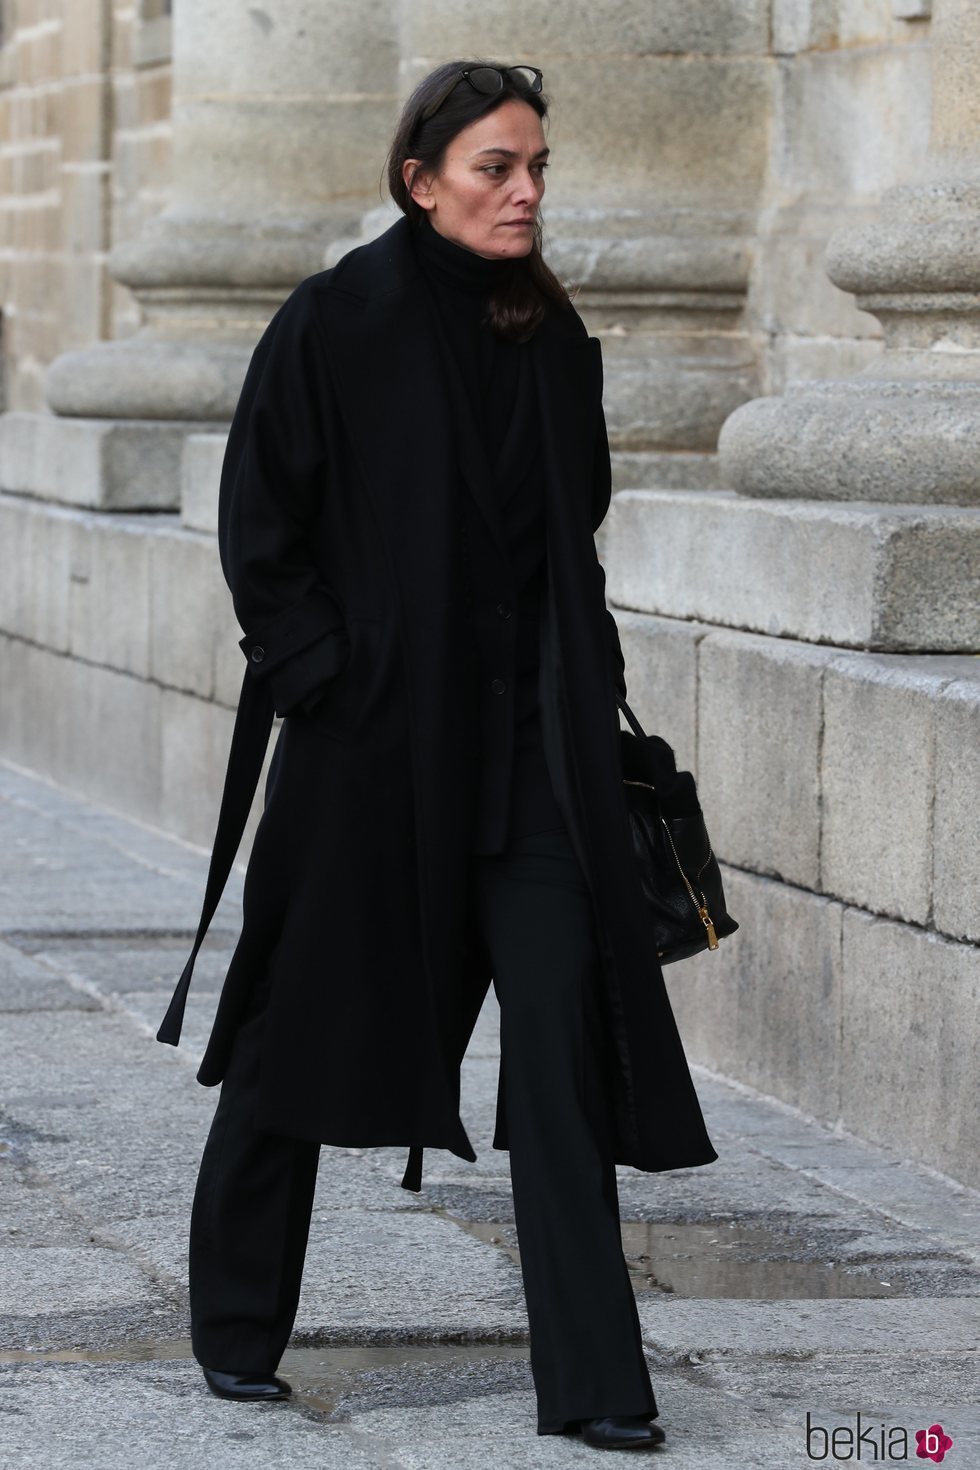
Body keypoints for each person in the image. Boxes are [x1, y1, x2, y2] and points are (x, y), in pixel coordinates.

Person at [157, 58, 718, 1452]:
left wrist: (587, 703)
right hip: (371, 755)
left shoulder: (555, 336)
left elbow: (568, 539)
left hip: (533, 763)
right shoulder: (332, 322)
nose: (526, 192)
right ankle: (236, 1329)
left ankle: (596, 1385)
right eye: (496, 168)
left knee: (561, 1056)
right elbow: (260, 532)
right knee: (297, 1032)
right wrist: (328, 676)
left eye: (538, 168)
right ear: (421, 179)